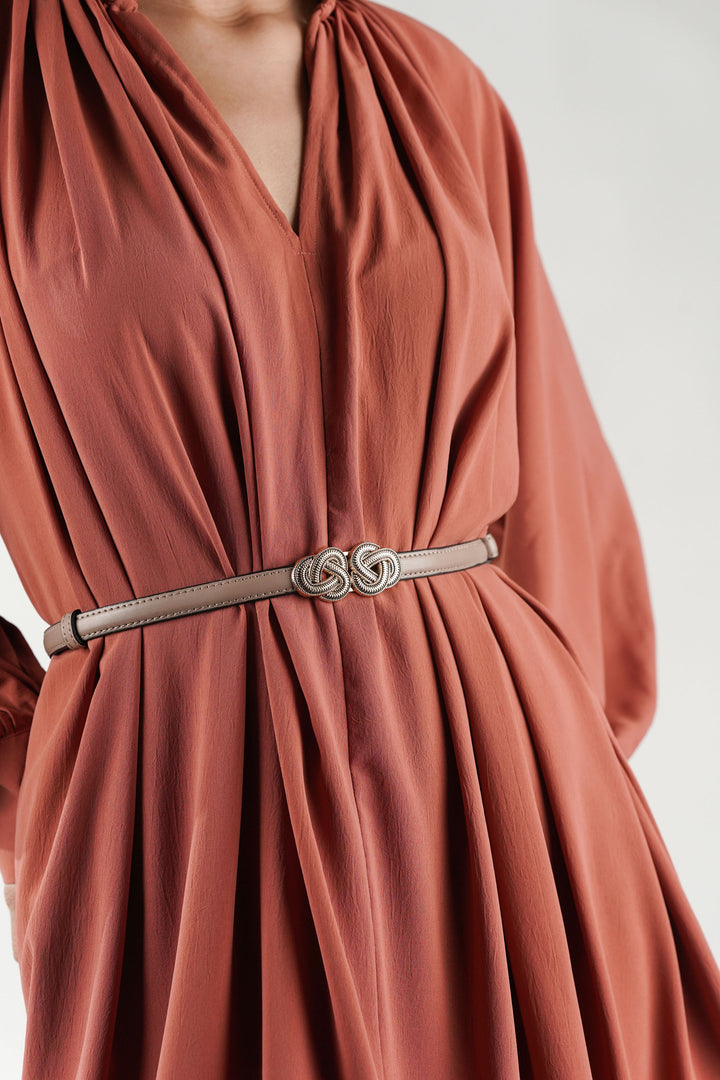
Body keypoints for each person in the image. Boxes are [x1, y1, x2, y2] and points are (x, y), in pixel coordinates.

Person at [1, 0, 719, 1076]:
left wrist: (564, 783)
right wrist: (41, 783)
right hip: (180, 806)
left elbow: (556, 490)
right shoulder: (18, 94)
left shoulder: (434, 87)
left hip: (504, 795)